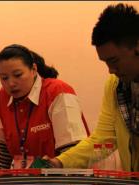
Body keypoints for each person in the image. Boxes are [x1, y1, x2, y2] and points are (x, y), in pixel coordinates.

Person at [49, 3, 139, 171]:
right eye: (105, 62)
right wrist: (60, 162)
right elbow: (103, 138)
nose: (111, 70)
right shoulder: (115, 85)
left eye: (114, 61)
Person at [0, 44, 89, 169]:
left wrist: (52, 167)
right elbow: (4, 147)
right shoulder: (3, 96)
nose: (11, 83)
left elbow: (72, 150)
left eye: (17, 75)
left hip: (65, 177)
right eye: (4, 78)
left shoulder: (57, 91)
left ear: (34, 70)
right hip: (28, 178)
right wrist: (0, 176)